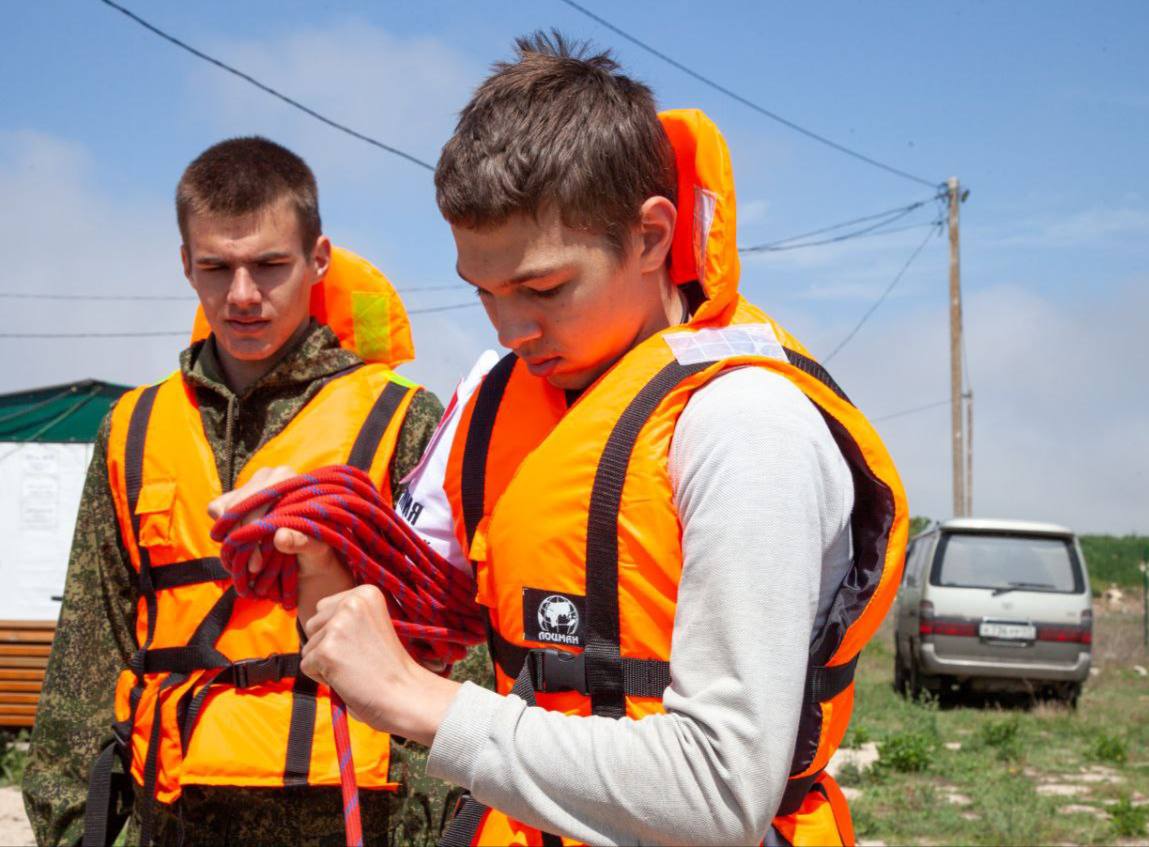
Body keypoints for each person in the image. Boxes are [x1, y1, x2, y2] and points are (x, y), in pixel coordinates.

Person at [222, 34, 909, 846]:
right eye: (482, 292)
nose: (512, 327)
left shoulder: (747, 425)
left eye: (543, 287)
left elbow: (721, 794)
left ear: (651, 236)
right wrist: (325, 562)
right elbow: (418, 630)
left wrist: (422, 701)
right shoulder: (492, 401)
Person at [22, 136, 444, 847]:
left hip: (348, 811)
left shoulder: (403, 419)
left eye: (269, 265)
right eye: (216, 267)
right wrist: (71, 824)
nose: (242, 294)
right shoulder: (131, 428)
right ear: (186, 264)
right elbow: (91, 644)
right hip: (172, 811)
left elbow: (441, 647)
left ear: (318, 260)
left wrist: (432, 829)